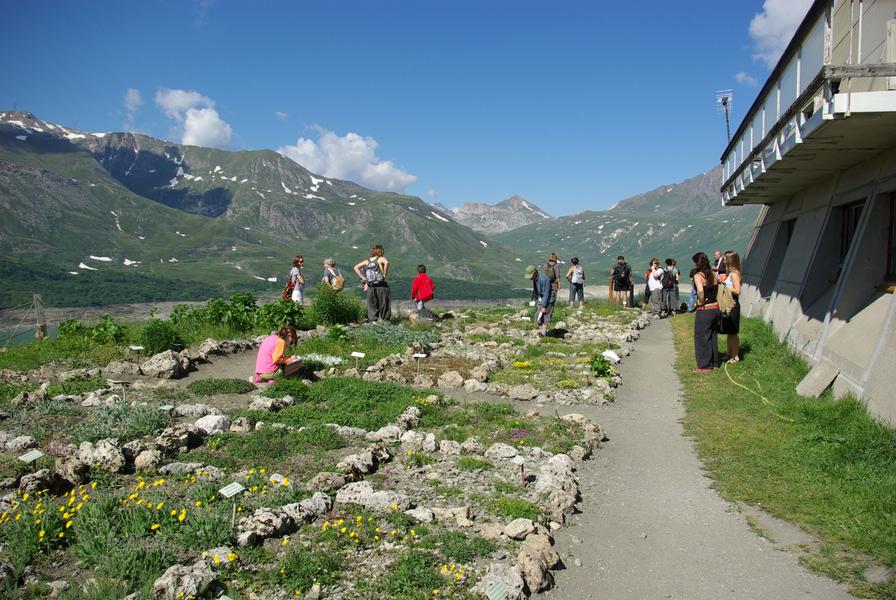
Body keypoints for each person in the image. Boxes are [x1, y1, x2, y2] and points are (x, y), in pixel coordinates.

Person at [692, 251, 721, 372]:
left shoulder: (698, 276)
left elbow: (700, 291)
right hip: (716, 309)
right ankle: (715, 362)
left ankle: (704, 365)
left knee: (701, 336)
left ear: (697, 263)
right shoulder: (714, 274)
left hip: (705, 310)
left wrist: (701, 302)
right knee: (713, 335)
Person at [353, 245, 391, 322]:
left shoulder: (367, 261)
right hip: (381, 286)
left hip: (371, 286)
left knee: (372, 305)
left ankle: (373, 321)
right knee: (384, 304)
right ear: (380, 251)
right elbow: (387, 263)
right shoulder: (381, 258)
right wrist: (384, 274)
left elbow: (356, 267)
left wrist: (363, 278)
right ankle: (385, 320)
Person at [720, 250, 743, 363]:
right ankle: (729, 354)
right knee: (729, 331)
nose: (723, 260)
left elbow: (737, 290)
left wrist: (724, 288)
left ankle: (735, 356)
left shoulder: (734, 274)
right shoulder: (731, 273)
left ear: (730, 260)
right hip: (729, 303)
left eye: (725, 258)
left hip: (733, 304)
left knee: (733, 332)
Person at [526, 264, 555, 336]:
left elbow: (546, 293)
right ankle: (541, 332)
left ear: (535, 273)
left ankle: (543, 333)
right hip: (541, 297)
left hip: (549, 298)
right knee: (538, 314)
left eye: (531, 276)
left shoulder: (544, 279)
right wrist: (535, 300)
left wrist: (544, 306)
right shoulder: (535, 278)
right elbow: (537, 290)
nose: (530, 278)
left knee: (545, 315)